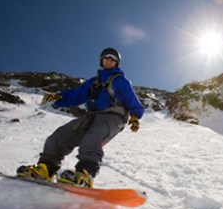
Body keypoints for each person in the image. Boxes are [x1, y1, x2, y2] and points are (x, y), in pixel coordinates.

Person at [17, 47, 145, 188]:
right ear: (101, 60)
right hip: (91, 117)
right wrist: (60, 96)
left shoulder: (121, 81)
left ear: (117, 63)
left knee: (92, 139)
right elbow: (77, 94)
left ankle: (85, 175)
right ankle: (46, 169)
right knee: (59, 136)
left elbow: (132, 99)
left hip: (113, 118)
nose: (109, 59)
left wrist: (135, 116)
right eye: (106, 57)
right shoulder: (93, 83)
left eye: (113, 58)